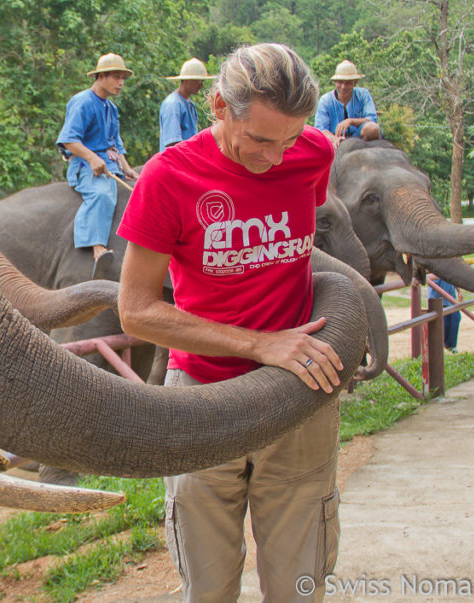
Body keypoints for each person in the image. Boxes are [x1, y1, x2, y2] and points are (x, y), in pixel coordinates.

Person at [117, 43, 343, 602]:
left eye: (289, 140)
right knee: (209, 589)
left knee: (299, 585)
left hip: (298, 396)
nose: (275, 158)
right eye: (262, 140)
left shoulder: (312, 154)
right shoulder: (168, 177)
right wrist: (260, 343)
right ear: (219, 105)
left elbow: (297, 244)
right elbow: (136, 310)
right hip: (202, 401)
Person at [57, 52, 139, 279]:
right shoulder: (82, 102)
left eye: (123, 78)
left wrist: (127, 167)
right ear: (100, 77)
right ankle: (96, 247)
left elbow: (116, 143)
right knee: (102, 194)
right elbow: (68, 139)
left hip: (110, 166)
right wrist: (92, 157)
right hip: (85, 166)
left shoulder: (111, 108)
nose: (121, 83)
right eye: (115, 77)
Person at [314, 59, 381, 147]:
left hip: (359, 137)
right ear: (335, 82)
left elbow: (372, 119)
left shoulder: (363, 94)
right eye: (340, 82)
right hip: (334, 140)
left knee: (372, 129)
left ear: (355, 83)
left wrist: (351, 121)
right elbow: (320, 128)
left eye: (348, 83)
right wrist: (334, 138)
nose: (343, 87)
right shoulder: (325, 101)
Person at [159, 57, 215, 151]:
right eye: (197, 81)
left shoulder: (190, 105)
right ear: (186, 80)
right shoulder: (173, 104)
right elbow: (173, 144)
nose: (200, 85)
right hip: (174, 162)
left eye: (202, 81)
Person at [428, 278, 462, 352]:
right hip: (437, 297)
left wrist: (459, 291)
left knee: (456, 317)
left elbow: (453, 275)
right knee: (443, 322)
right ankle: (442, 346)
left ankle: (450, 345)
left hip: (450, 296)